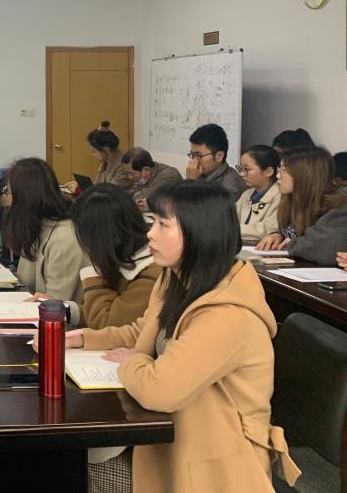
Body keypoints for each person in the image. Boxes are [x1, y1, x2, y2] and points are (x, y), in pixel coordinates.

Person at [56, 181, 299, 493]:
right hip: (178, 431)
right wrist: (85, 339)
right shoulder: (177, 279)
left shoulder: (228, 315)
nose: (150, 234)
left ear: (200, 233)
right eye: (153, 222)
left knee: (79, 464)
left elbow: (158, 390)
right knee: (71, 457)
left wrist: (134, 362)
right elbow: (142, 331)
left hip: (217, 461)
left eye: (163, 224)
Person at [1, 158, 86, 313]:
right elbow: (26, 281)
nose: (6, 200)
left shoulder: (63, 238)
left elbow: (55, 309)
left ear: (24, 198)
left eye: (9, 191)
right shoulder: (37, 226)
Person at [71, 183, 159, 329]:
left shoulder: (152, 270)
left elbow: (106, 322)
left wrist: (97, 265)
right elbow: (99, 314)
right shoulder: (125, 253)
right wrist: (64, 309)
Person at [256, 147, 347, 263]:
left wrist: (293, 244)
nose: (278, 176)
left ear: (305, 174)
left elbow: (323, 248)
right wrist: (278, 236)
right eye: (279, 170)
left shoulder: (339, 205)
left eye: (284, 170)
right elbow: (294, 234)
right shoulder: (295, 200)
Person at [235, 145, 281, 242]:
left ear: (268, 171)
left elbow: (269, 229)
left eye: (246, 169)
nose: (241, 174)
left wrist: (230, 229)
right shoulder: (246, 194)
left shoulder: (279, 195)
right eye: (241, 169)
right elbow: (231, 219)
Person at [185, 123, 246, 197]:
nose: (194, 160)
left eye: (199, 155)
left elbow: (190, 203)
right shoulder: (201, 174)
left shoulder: (229, 187)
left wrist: (191, 182)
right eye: (192, 154)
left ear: (219, 156)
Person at [121, 147, 182, 212]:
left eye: (132, 173)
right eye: (127, 173)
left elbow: (144, 197)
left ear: (146, 170)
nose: (129, 177)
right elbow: (134, 191)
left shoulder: (169, 176)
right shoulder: (144, 176)